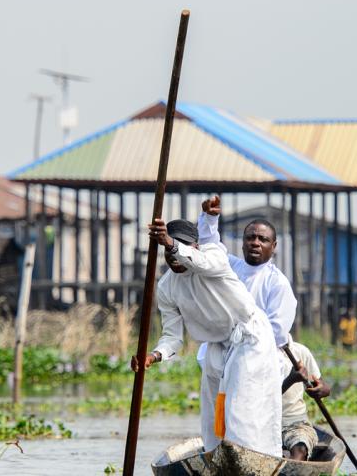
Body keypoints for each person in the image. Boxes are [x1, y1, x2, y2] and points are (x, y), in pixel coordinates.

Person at [130, 217, 282, 456]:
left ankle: (255, 458)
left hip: (249, 337)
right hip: (216, 345)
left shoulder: (213, 257)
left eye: (181, 247)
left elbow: (198, 260)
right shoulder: (166, 287)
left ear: (196, 246)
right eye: (168, 252)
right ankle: (217, 460)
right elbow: (173, 336)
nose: (173, 257)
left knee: (241, 411)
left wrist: (170, 243)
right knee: (212, 414)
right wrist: (154, 355)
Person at [197, 195, 297, 349]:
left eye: (263, 239)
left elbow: (277, 333)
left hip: (258, 358)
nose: (255, 243)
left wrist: (240, 337)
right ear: (243, 243)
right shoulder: (230, 267)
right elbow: (210, 250)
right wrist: (210, 219)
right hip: (222, 353)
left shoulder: (277, 283)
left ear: (274, 246)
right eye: (250, 238)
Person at [281, 341, 331, 461]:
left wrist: (321, 390)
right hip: (262, 423)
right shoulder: (256, 353)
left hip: (294, 423)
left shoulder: (300, 351)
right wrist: (290, 380)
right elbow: (264, 399)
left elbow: (322, 385)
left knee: (300, 449)